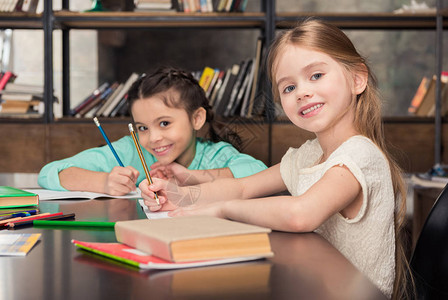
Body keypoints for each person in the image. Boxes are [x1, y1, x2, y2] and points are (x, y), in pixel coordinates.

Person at [139, 19, 409, 299]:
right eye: (289, 88)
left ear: (357, 79)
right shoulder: (311, 154)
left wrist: (223, 210)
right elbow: (243, 187)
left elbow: (300, 214)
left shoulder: (360, 154)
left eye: (316, 75)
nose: (302, 92)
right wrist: (180, 196)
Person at [38, 67, 267, 195]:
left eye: (165, 123)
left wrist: (190, 178)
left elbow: (258, 172)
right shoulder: (130, 149)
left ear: (197, 118)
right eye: (142, 128)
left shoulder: (216, 155)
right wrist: (104, 182)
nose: (154, 138)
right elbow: (50, 172)